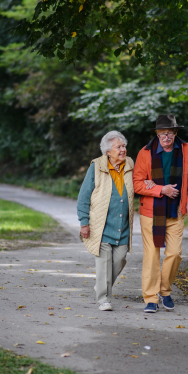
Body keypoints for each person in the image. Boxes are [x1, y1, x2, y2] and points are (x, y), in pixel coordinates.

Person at [133, 114, 188, 313]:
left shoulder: (186, 150)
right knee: (151, 256)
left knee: (175, 253)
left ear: (176, 132)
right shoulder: (145, 153)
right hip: (151, 212)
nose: (166, 137)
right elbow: (137, 183)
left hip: (176, 211)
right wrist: (161, 189)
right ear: (157, 134)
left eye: (169, 133)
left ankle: (164, 290)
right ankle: (151, 298)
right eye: (162, 133)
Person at [77, 131, 135, 311]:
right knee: (103, 263)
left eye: (124, 146)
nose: (123, 150)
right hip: (101, 225)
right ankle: (103, 299)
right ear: (108, 151)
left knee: (119, 260)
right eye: (119, 147)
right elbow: (83, 196)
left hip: (123, 226)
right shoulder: (96, 167)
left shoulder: (130, 164)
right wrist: (84, 222)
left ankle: (102, 284)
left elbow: (138, 184)